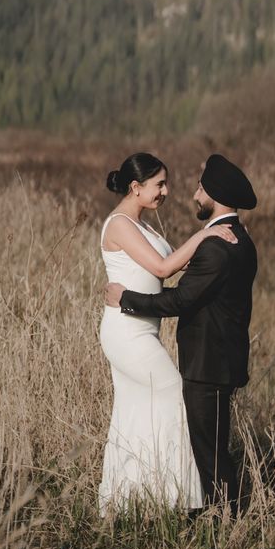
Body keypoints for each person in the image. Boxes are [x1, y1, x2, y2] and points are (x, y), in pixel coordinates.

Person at [105, 153, 257, 519]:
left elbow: (179, 270)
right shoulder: (121, 224)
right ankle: (184, 501)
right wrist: (203, 236)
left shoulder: (152, 227)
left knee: (139, 411)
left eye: (166, 183)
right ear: (135, 187)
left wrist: (204, 238)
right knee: (174, 396)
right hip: (127, 331)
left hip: (148, 329)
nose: (169, 192)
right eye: (159, 184)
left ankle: (138, 496)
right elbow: (163, 267)